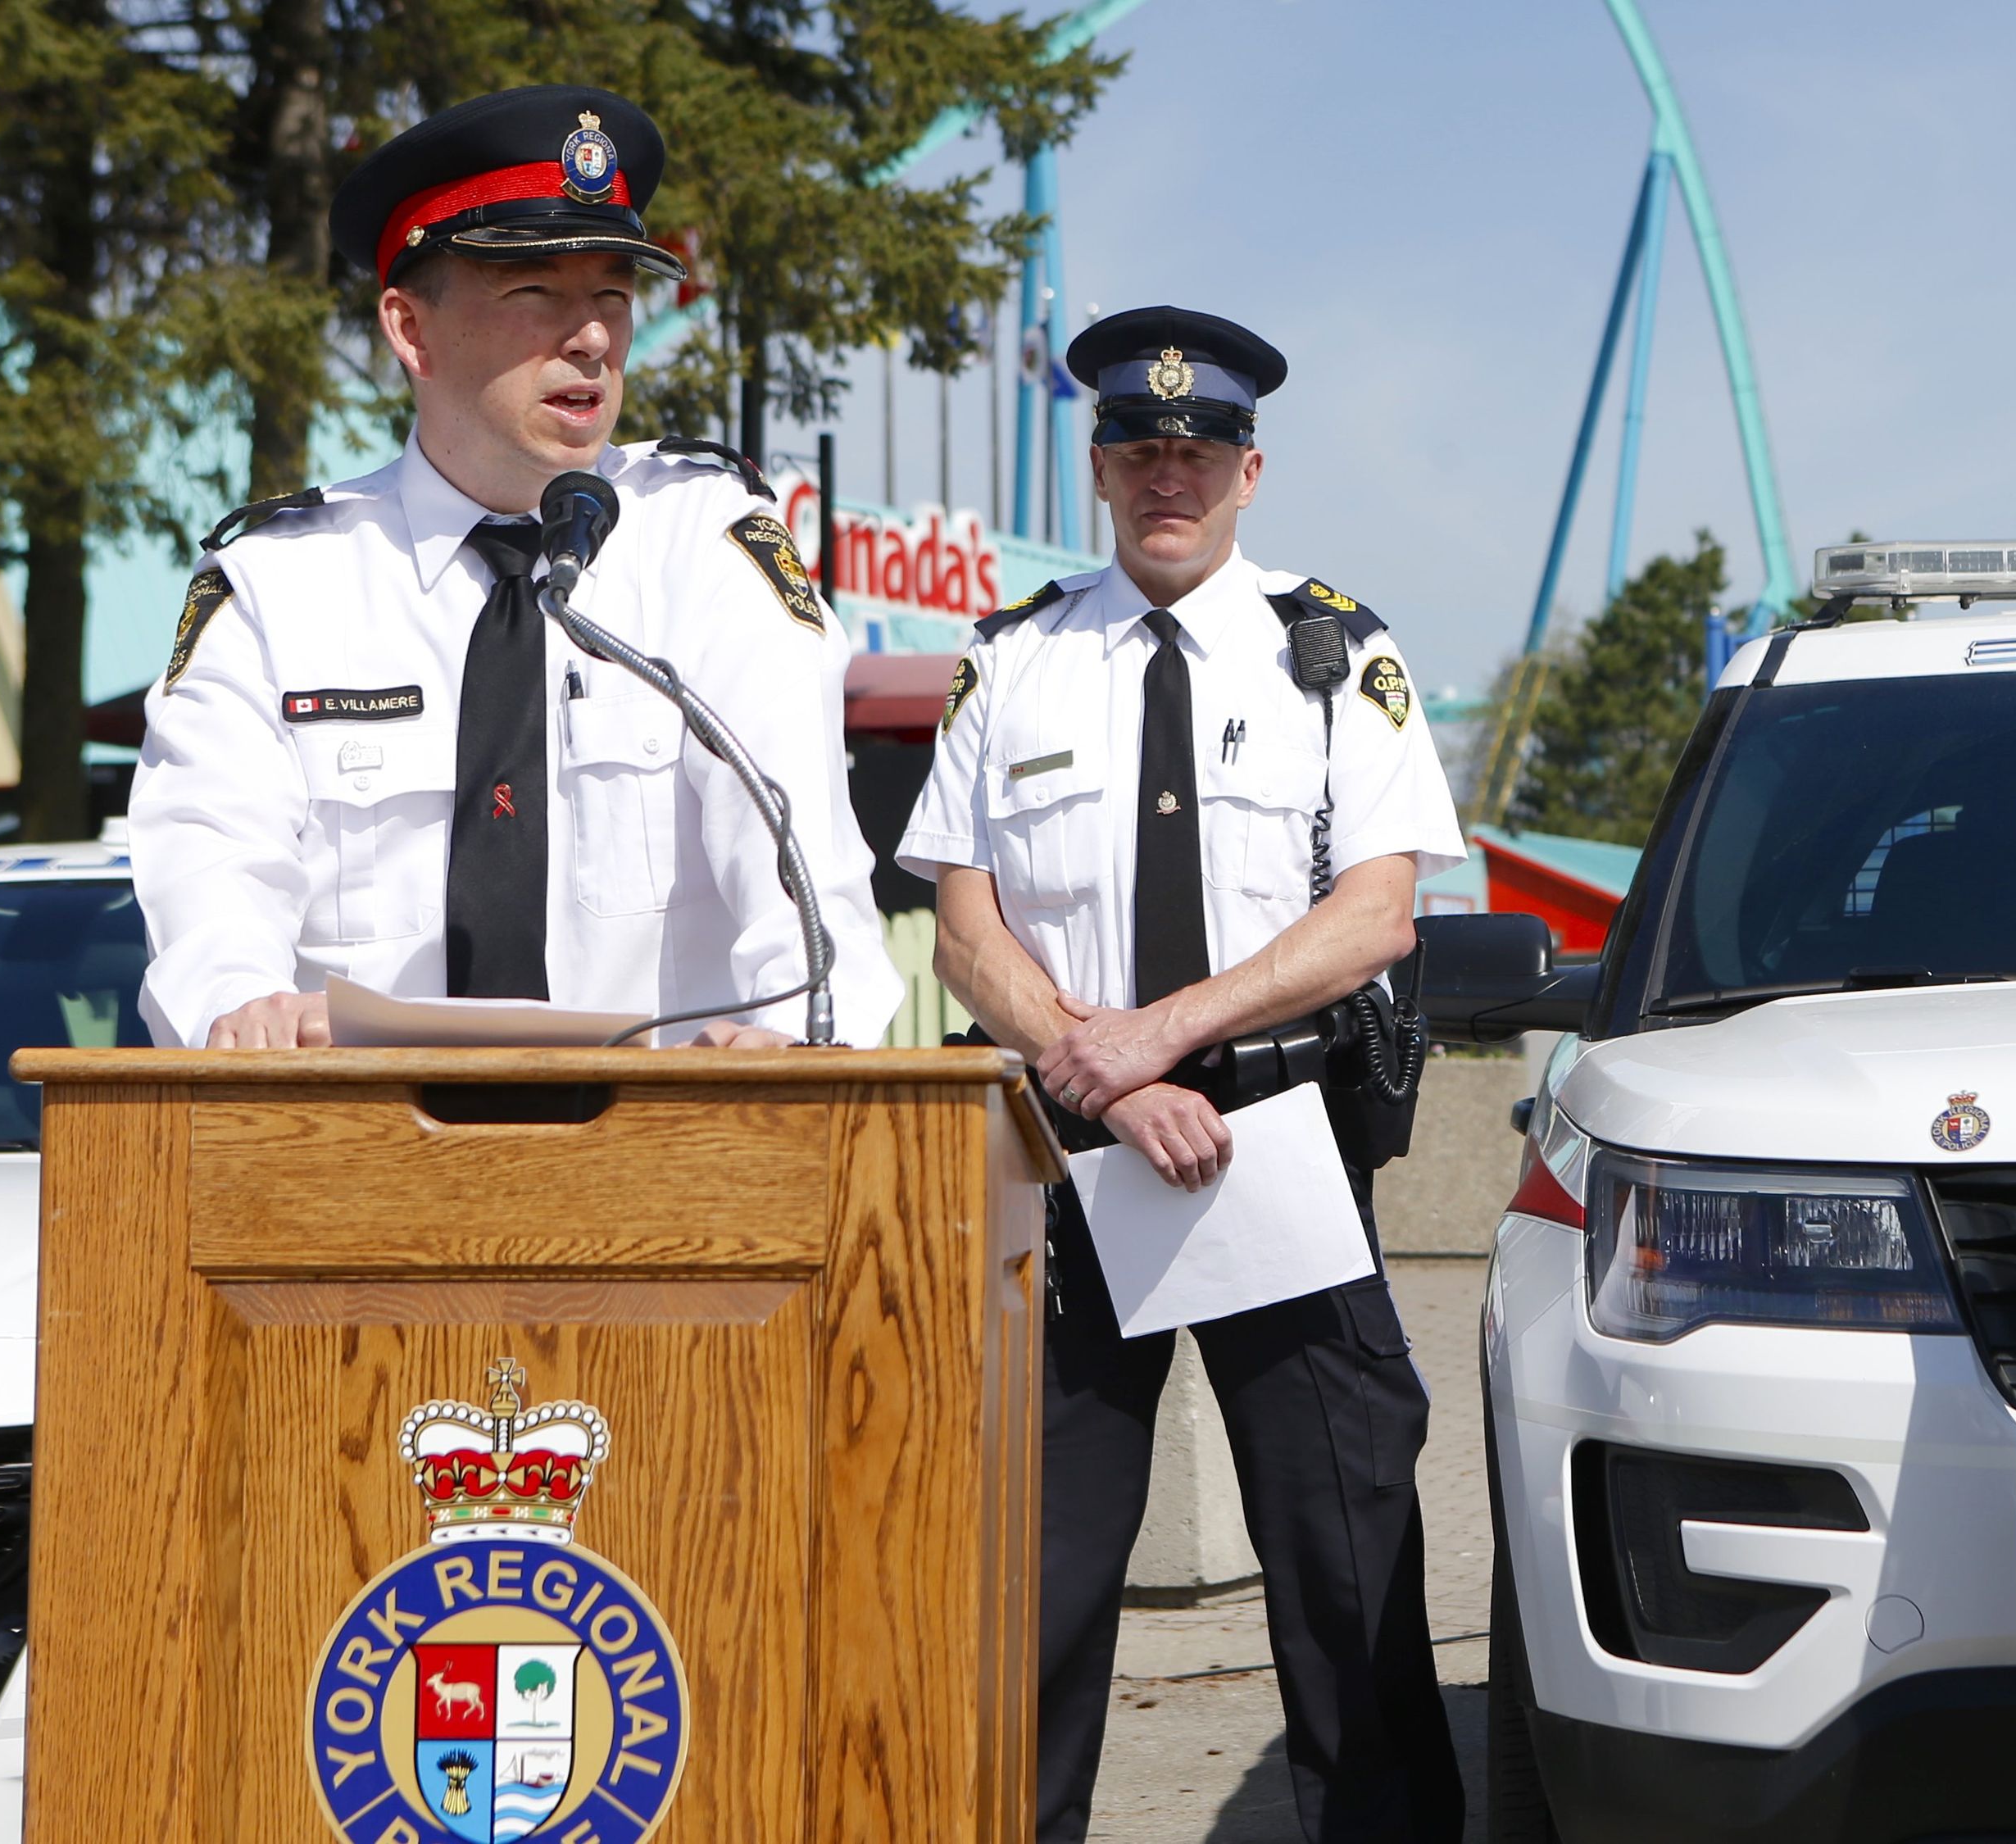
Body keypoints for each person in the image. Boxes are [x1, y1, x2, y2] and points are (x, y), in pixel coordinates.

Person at [897, 306, 1467, 1842]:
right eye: (1141, 450)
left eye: (1199, 452)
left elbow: (1376, 915)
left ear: (1249, 470)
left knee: (1346, 1550)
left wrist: (1165, 1032)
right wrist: (1103, 1073)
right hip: (1071, 1159)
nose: (1171, 477)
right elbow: (964, 929)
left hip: (1281, 1137)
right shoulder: (1013, 658)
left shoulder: (1336, 652)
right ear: (1098, 466)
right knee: (1036, 1565)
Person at [130, 84, 898, 1051]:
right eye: (535, 293)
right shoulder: (281, 587)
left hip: (668, 1158)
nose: (591, 338)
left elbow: (799, 855)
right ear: (411, 330)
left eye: (612, 297)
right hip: (362, 1167)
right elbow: (209, 865)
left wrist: (795, 1048)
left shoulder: (705, 544)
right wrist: (239, 1009)